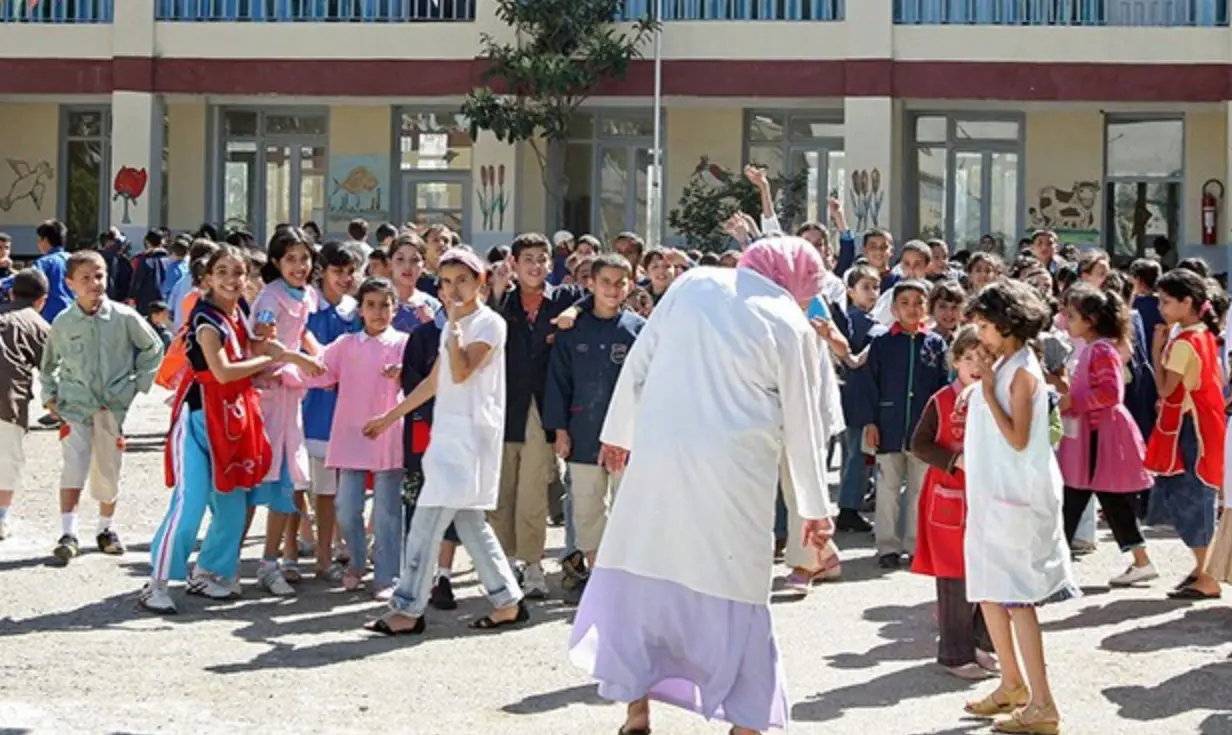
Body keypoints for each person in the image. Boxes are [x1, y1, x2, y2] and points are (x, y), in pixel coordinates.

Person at [569, 236, 837, 735]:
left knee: (646, 572)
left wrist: (618, 435)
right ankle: (747, 722)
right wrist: (816, 510)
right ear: (798, 283)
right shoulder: (790, 321)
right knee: (735, 585)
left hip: (660, 456)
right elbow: (804, 425)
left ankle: (636, 711)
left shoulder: (693, 282)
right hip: (735, 474)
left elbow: (640, 360)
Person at [361, 247, 527, 635]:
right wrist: (390, 417)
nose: (453, 289)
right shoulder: (451, 325)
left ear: (480, 282)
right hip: (448, 436)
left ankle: (407, 609)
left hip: (471, 437)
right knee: (469, 521)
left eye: (462, 280)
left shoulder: (489, 324)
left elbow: (464, 369)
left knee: (427, 520)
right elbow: (435, 381)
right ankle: (507, 601)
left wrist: (452, 328)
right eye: (447, 281)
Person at [962, 279, 1077, 735]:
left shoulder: (1023, 370)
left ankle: (1043, 703)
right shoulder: (1007, 361)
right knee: (988, 588)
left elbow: (1017, 436)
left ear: (1007, 325)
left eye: (985, 326)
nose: (980, 336)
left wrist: (987, 391)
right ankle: (1012, 683)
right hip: (993, 495)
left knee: (1019, 598)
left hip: (1018, 499)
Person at [142, 245, 282, 613]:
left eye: (238, 272)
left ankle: (208, 573)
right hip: (199, 418)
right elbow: (221, 371)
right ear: (207, 278)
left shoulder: (238, 312)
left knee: (232, 503)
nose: (231, 279)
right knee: (190, 504)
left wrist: (286, 354)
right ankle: (156, 581)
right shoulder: (206, 317)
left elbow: (251, 347)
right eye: (223, 271)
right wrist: (265, 360)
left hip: (230, 419)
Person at [40, 250, 164, 564]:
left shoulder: (123, 317)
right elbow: (49, 364)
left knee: (108, 468)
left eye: (99, 276)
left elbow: (153, 348)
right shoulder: (64, 322)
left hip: (111, 407)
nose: (95, 283)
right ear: (70, 283)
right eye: (85, 278)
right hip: (75, 406)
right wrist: (50, 396)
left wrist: (136, 384)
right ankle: (68, 532)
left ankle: (105, 528)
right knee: (74, 466)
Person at [292, 278, 408, 598]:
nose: (378, 312)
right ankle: (356, 561)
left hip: (388, 435)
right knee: (345, 507)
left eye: (385, 305)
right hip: (349, 435)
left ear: (395, 309)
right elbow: (319, 371)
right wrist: (282, 372)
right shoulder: (345, 344)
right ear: (359, 309)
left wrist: (405, 373)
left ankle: (388, 575)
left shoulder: (404, 344)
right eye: (371, 305)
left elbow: (423, 381)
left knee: (386, 512)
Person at [489, 232, 588, 598]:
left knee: (533, 489)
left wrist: (573, 311)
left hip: (543, 406)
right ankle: (501, 565)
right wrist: (496, 292)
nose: (535, 266)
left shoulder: (563, 298)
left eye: (541, 259)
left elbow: (593, 300)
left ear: (551, 263)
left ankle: (531, 565)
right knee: (501, 490)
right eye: (527, 259)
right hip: (501, 406)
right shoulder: (503, 302)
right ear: (513, 264)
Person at [543, 253, 645, 574]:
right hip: (582, 431)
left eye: (620, 283)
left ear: (630, 285)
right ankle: (595, 569)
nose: (613, 289)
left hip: (628, 437)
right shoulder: (572, 329)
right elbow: (558, 381)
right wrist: (559, 429)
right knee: (586, 505)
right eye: (605, 282)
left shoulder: (639, 331)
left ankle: (624, 572)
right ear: (591, 284)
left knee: (629, 504)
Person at [910, 325, 997, 680]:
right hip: (948, 500)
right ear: (955, 361)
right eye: (968, 358)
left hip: (987, 498)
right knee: (954, 578)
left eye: (985, 357)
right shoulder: (942, 400)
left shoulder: (997, 397)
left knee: (990, 574)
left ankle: (982, 644)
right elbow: (920, 443)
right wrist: (954, 461)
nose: (976, 365)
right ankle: (954, 654)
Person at [1056, 285, 1157, 587]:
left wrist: (1073, 403)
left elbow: (1111, 393)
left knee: (1074, 499)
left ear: (1090, 320)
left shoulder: (1100, 350)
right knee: (1110, 500)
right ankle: (1141, 560)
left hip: (1098, 437)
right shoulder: (1096, 348)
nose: (1066, 320)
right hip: (1092, 435)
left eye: (1072, 315)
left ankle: (1053, 568)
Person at [246, 226, 324, 595]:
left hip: (290, 396)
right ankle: (227, 558)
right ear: (276, 262)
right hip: (268, 394)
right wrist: (299, 358)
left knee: (288, 477)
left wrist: (321, 353)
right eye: (291, 258)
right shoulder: (270, 297)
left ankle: (269, 560)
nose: (299, 265)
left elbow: (303, 331)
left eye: (304, 258)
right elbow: (262, 343)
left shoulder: (307, 294)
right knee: (258, 476)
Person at [854, 279, 950, 568]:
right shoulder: (882, 343)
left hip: (924, 432)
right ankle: (887, 546)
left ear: (926, 309)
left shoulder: (935, 343)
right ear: (894, 308)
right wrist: (870, 422)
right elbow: (868, 385)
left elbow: (942, 387)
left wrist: (940, 427)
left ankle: (915, 543)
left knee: (920, 490)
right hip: (888, 426)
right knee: (887, 489)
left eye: (918, 303)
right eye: (904, 303)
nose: (912, 309)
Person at [1146, 269, 1227, 601]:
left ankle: (1206, 573)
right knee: (1198, 494)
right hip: (1203, 423)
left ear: (1187, 302)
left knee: (1189, 497)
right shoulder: (1204, 334)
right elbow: (1219, 378)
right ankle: (1202, 567)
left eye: (1167, 301)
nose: (1162, 308)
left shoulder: (1183, 341)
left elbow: (1166, 389)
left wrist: (1155, 352)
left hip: (1187, 427)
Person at [301, 240, 363, 579]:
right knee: (297, 486)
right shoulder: (305, 306)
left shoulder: (355, 311)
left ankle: (327, 555)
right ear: (322, 271)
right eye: (338, 271)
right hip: (306, 409)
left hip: (342, 412)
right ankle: (298, 552)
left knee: (332, 490)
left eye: (350, 272)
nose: (345, 278)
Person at [0, 270, 51, 540]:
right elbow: (52, 370)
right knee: (6, 463)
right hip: (8, 400)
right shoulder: (39, 325)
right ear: (42, 300)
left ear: (11, 293)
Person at [831, 265, 880, 533]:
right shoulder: (861, 322)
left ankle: (848, 504)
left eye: (875, 287)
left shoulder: (864, 320)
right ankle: (849, 508)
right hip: (858, 397)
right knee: (857, 456)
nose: (872, 293)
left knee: (853, 452)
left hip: (850, 397)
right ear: (850, 291)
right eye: (865, 287)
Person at [128, 229, 171, 317]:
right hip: (165, 302)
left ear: (147, 242)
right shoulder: (169, 260)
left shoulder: (145, 260)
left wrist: (132, 296)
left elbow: (138, 279)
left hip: (146, 303)